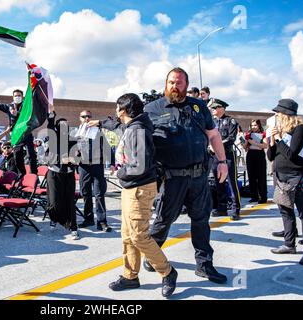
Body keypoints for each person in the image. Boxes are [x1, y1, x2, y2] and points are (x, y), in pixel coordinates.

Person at [143, 68, 228, 284]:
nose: (175, 86)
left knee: (201, 221)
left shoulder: (198, 106)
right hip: (172, 179)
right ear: (166, 83)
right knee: (164, 219)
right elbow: (139, 139)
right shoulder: (152, 109)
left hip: (199, 176)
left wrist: (222, 162)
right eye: (171, 82)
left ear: (186, 84)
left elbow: (213, 135)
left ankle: (204, 264)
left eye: (179, 83)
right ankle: (153, 255)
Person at [94, 93, 177, 298]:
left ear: (123, 110)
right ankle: (131, 276)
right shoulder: (132, 126)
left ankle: (167, 271)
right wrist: (100, 123)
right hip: (131, 187)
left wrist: (119, 171)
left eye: (117, 108)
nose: (115, 112)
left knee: (139, 236)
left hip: (139, 187)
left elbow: (138, 166)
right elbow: (116, 126)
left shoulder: (137, 130)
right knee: (127, 235)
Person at [267, 99, 303, 265]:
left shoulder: (300, 129)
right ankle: (289, 244)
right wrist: (272, 141)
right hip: (281, 176)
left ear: (286, 114)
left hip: (297, 176)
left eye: (278, 114)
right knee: (285, 210)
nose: (276, 117)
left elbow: (293, 155)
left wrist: (279, 138)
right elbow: (271, 156)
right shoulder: (282, 131)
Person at [0, 88, 38, 175]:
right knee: (17, 157)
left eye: (19, 96)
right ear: (13, 97)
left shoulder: (27, 107)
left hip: (26, 133)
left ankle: (34, 175)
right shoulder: (9, 107)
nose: (17, 97)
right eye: (15, 96)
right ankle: (22, 175)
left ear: (22, 97)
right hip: (16, 135)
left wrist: (17, 114)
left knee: (31, 155)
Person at [45, 107, 80, 240]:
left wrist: (74, 160)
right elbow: (49, 125)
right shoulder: (53, 138)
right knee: (54, 202)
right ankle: (54, 218)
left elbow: (79, 157)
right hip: (54, 173)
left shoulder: (73, 141)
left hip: (69, 174)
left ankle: (73, 228)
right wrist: (51, 114)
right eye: (61, 125)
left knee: (70, 202)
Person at [76, 110, 113, 232]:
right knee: (85, 193)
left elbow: (107, 147)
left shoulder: (98, 131)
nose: (86, 118)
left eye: (89, 116)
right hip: (83, 167)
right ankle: (88, 219)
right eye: (84, 116)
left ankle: (102, 222)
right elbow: (71, 148)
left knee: (98, 194)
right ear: (80, 118)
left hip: (97, 166)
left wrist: (112, 163)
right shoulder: (76, 133)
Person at [208, 98, 241, 220]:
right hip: (214, 156)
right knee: (218, 182)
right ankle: (222, 208)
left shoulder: (230, 121)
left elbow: (231, 138)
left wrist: (217, 145)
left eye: (215, 107)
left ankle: (235, 209)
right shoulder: (211, 122)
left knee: (232, 183)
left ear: (222, 108)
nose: (213, 110)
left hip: (227, 156)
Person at [244, 120, 268, 203]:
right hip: (250, 155)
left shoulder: (263, 134)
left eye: (255, 125)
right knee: (251, 176)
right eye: (252, 125)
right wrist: (245, 141)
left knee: (261, 176)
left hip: (259, 155)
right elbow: (245, 147)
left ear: (259, 125)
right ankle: (254, 196)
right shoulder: (248, 134)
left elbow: (265, 146)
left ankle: (263, 197)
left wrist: (253, 143)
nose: (253, 127)